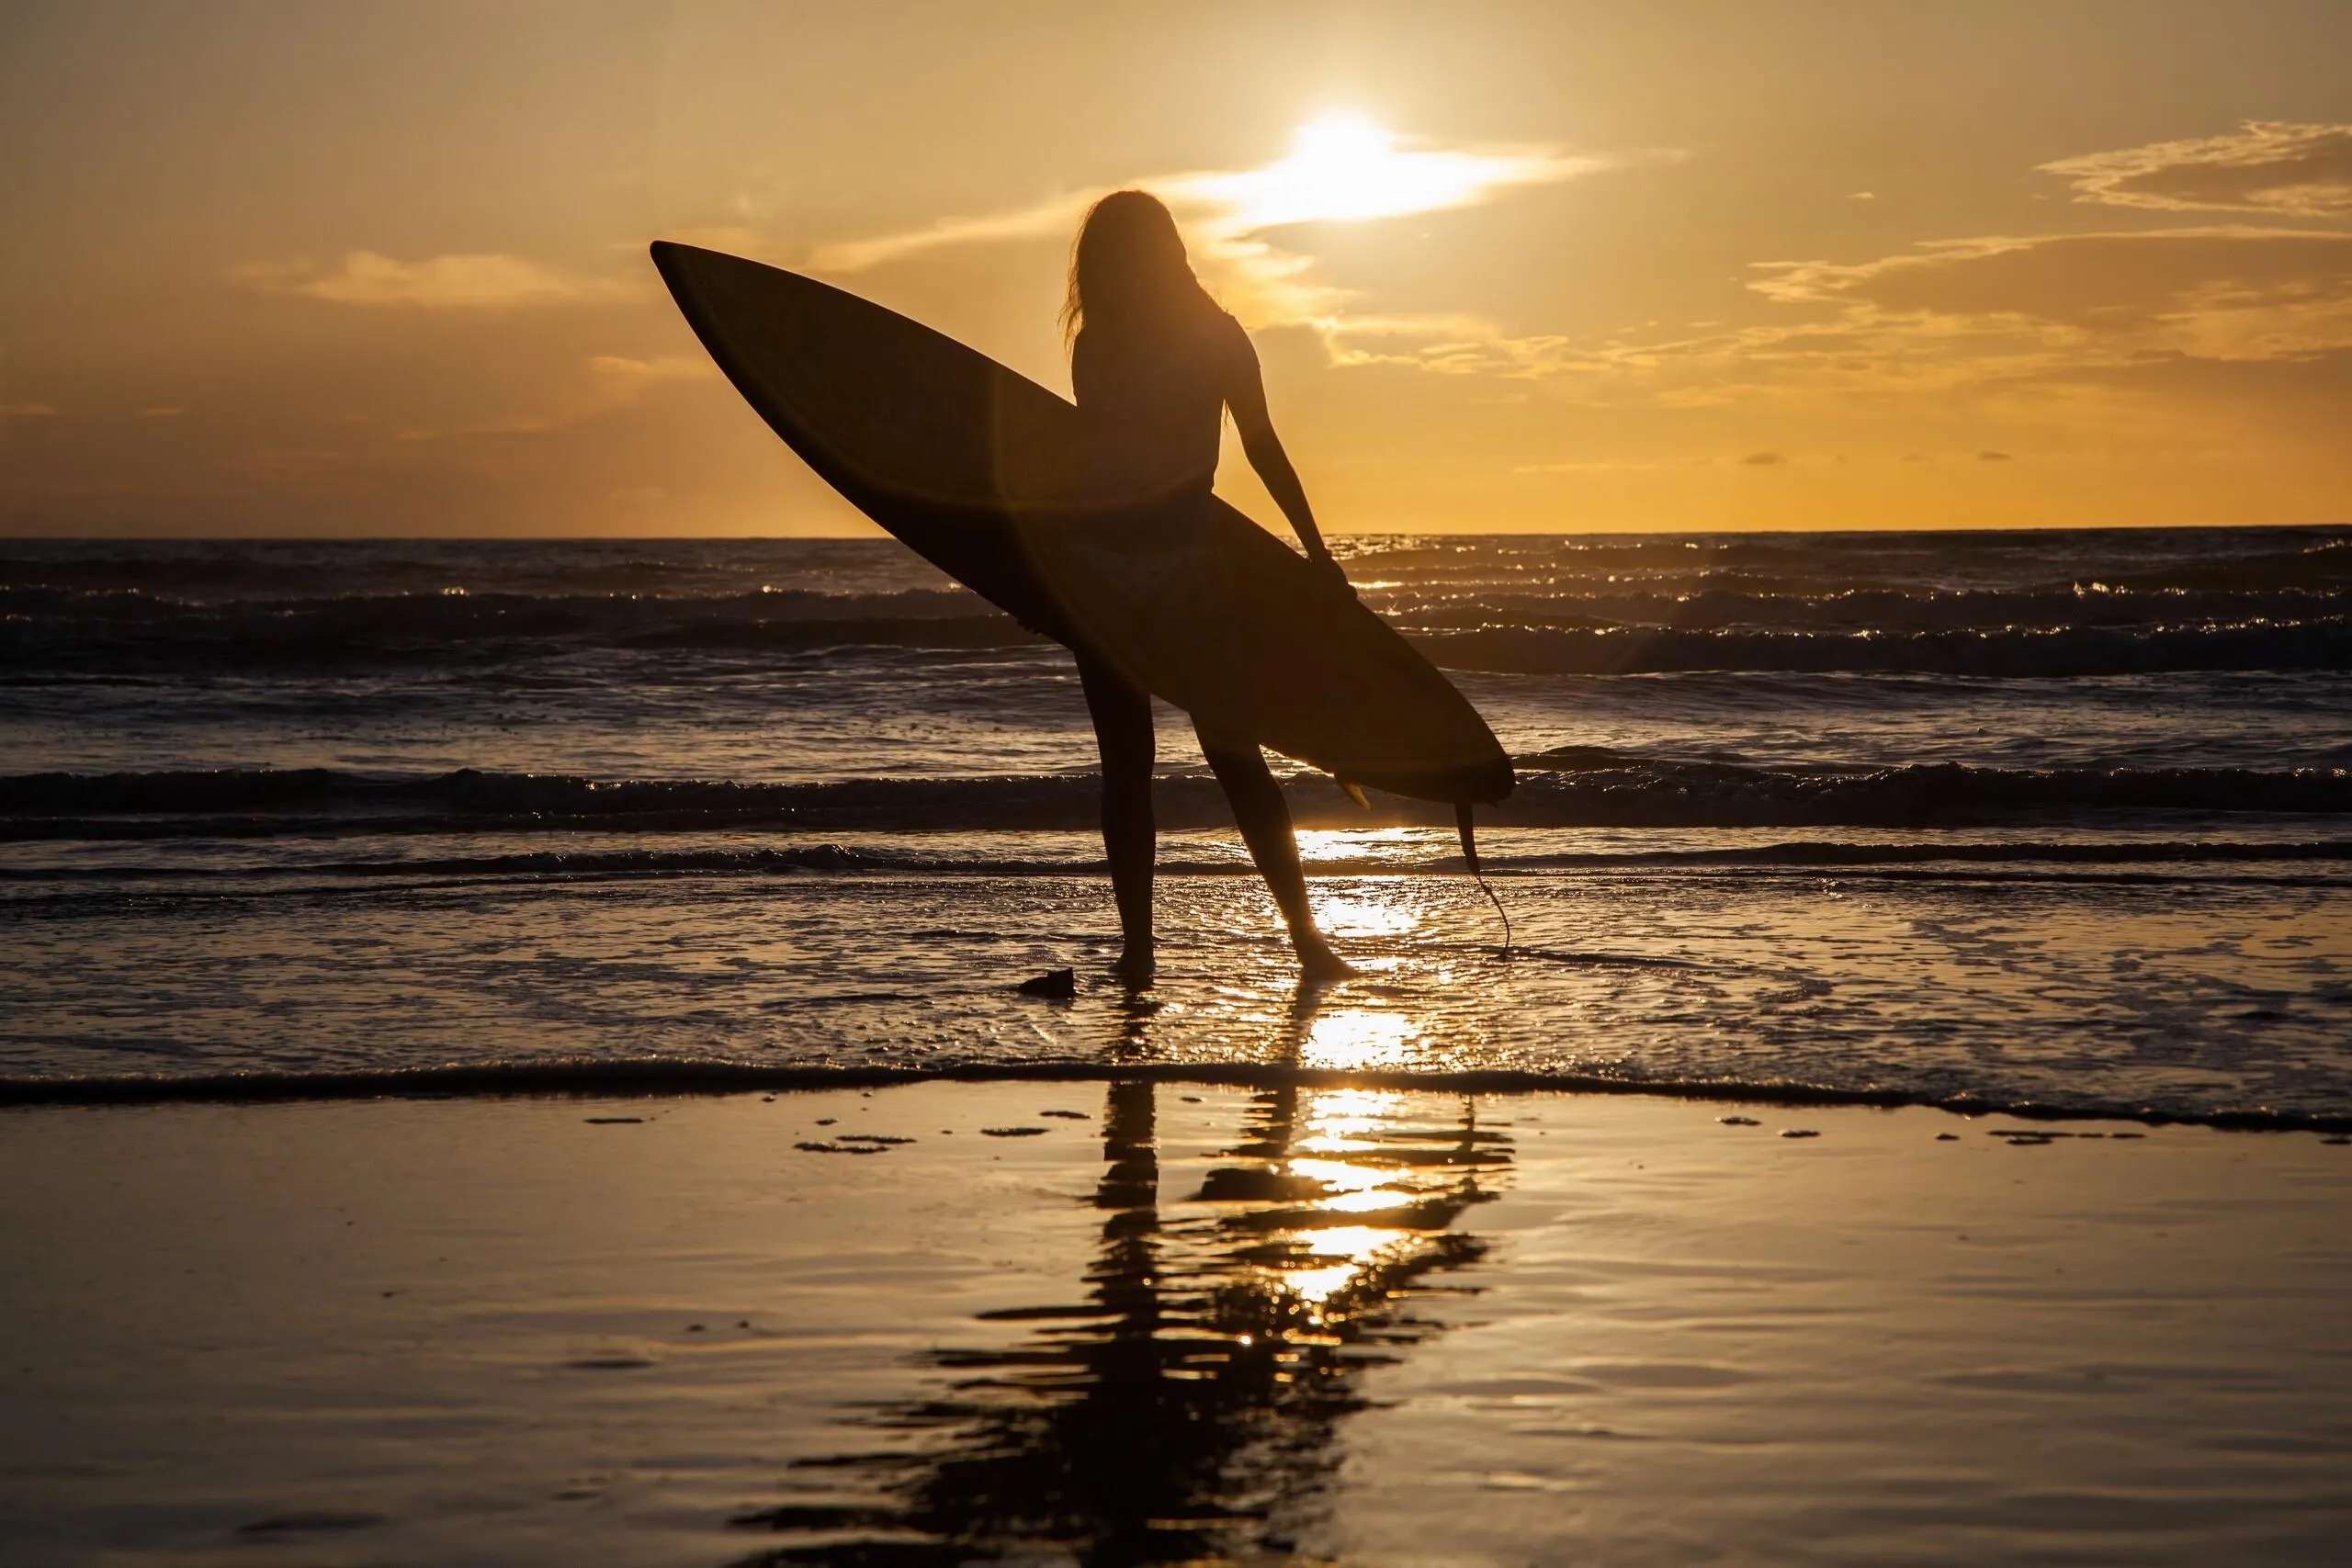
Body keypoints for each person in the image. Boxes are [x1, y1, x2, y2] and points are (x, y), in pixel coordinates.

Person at [1058, 189, 1354, 984]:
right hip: (1171, 569)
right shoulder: (1206, 339)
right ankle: (1299, 946)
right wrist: (1317, 552)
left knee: (1152, 765)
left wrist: (1317, 552)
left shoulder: (1107, 342)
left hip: (1112, 574)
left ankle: (1149, 952)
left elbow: (1104, 468)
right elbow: (1257, 448)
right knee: (1220, 757)